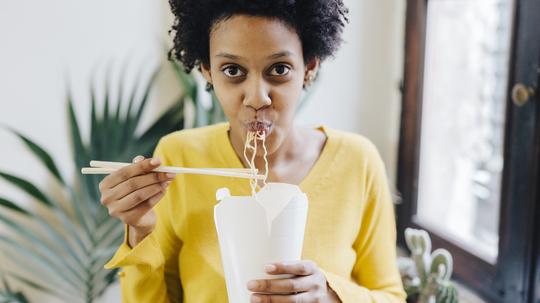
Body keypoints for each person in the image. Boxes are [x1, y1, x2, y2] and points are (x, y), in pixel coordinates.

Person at [100, 0, 407, 302]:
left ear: (309, 68)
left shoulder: (357, 161)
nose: (257, 98)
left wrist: (329, 295)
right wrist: (139, 231)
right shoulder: (179, 156)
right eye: (233, 70)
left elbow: (392, 296)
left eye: (279, 69)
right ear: (208, 71)